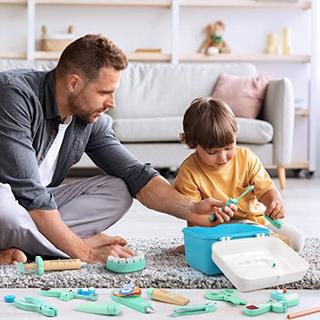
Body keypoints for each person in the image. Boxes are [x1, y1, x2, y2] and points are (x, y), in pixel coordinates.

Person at [0, 35, 236, 265]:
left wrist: (192, 209)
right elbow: (30, 195)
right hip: (9, 202)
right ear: (74, 83)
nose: (112, 102)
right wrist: (87, 254)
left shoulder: (89, 120)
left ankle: (33, 245)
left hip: (34, 208)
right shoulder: (15, 95)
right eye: (104, 92)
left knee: (119, 189)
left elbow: (136, 174)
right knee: (4, 208)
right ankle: (76, 244)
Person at [175, 97, 304, 252]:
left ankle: (251, 243)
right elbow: (194, 218)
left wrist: (275, 202)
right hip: (215, 228)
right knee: (235, 246)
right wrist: (214, 217)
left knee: (297, 241)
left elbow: (266, 190)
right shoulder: (189, 172)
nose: (223, 157)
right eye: (212, 152)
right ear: (192, 144)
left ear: (236, 136)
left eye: (229, 147)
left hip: (256, 220)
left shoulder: (246, 158)